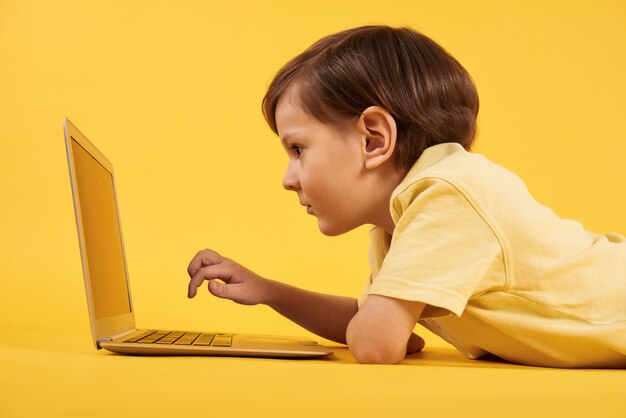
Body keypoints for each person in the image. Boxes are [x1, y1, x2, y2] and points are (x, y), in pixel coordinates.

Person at [186, 25, 626, 367]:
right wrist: (269, 291)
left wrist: (378, 328)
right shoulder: (397, 222)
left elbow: (377, 343)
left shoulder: (450, 192)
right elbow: (375, 322)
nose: (288, 178)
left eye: (298, 149)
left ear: (374, 140)